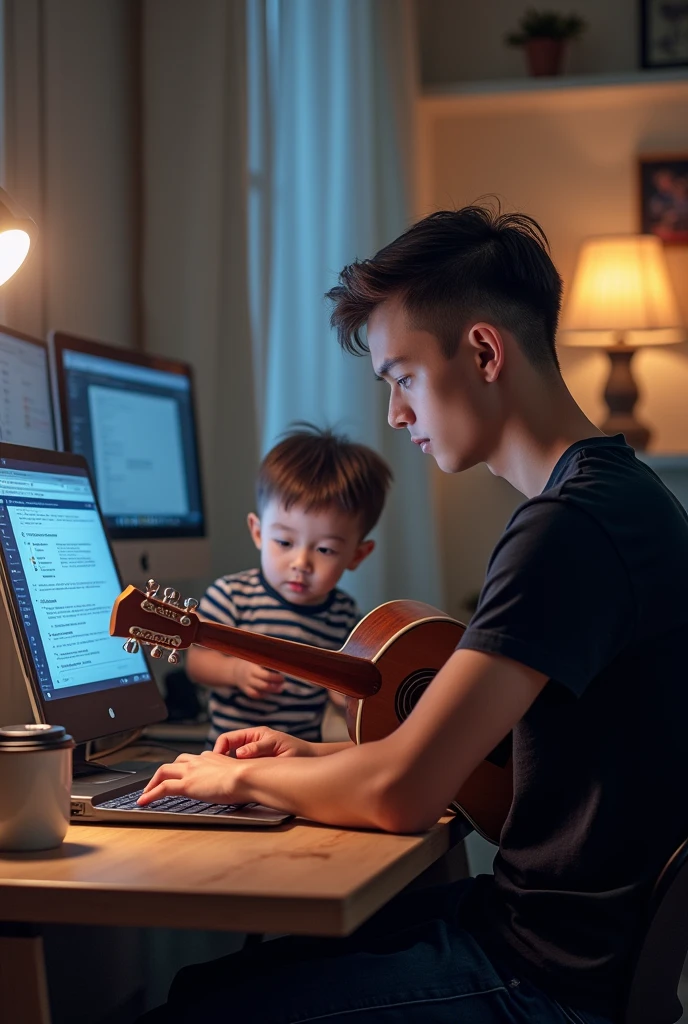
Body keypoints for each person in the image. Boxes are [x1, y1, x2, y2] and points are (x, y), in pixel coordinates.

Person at [137, 205, 688, 1024]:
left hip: (549, 978)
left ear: (483, 351)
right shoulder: (619, 497)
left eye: (401, 377)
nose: (396, 416)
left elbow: (402, 792)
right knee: (207, 987)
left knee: (194, 1009)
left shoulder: (566, 530)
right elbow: (464, 762)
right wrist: (312, 761)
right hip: (569, 939)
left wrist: (238, 775)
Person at [186, 423, 391, 746]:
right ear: (258, 532)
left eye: (325, 549)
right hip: (230, 755)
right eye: (284, 542)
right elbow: (197, 662)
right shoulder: (231, 596)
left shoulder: (344, 615)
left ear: (357, 554)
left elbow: (345, 689)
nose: (301, 563)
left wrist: (345, 695)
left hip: (299, 757)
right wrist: (235, 673)